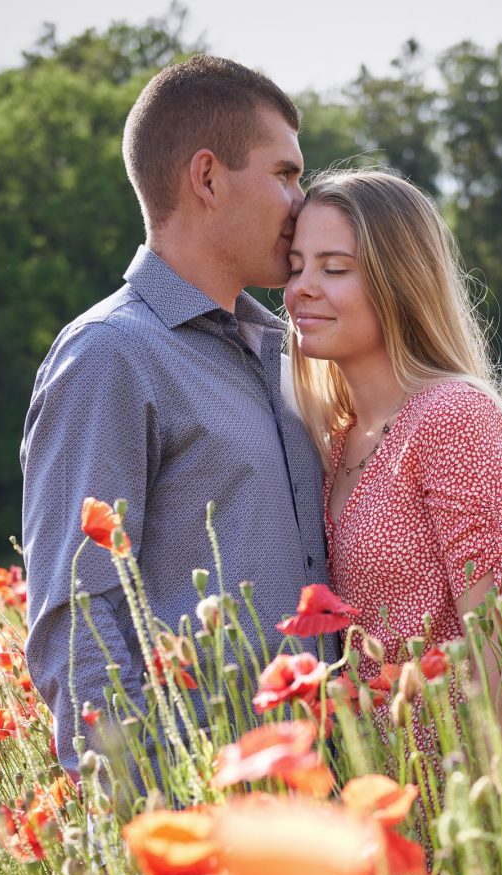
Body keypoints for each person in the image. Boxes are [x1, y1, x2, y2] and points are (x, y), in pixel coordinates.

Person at [21, 56, 332, 784]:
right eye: (285, 174)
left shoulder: (281, 345)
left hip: (316, 785)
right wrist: (158, 809)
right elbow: (76, 618)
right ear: (207, 177)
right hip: (201, 797)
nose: (302, 200)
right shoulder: (110, 355)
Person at [284, 168, 502, 796]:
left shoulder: (452, 417)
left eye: (334, 268)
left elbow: (498, 649)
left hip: (471, 793)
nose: (299, 290)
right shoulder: (335, 437)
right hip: (384, 800)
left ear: (398, 283)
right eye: (295, 265)